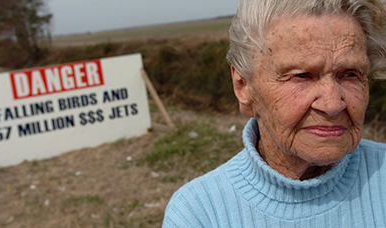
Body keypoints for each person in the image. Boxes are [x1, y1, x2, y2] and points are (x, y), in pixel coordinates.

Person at [163, 0, 386, 227]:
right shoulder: (200, 214)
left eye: (349, 74)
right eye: (302, 76)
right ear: (243, 87)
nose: (332, 104)